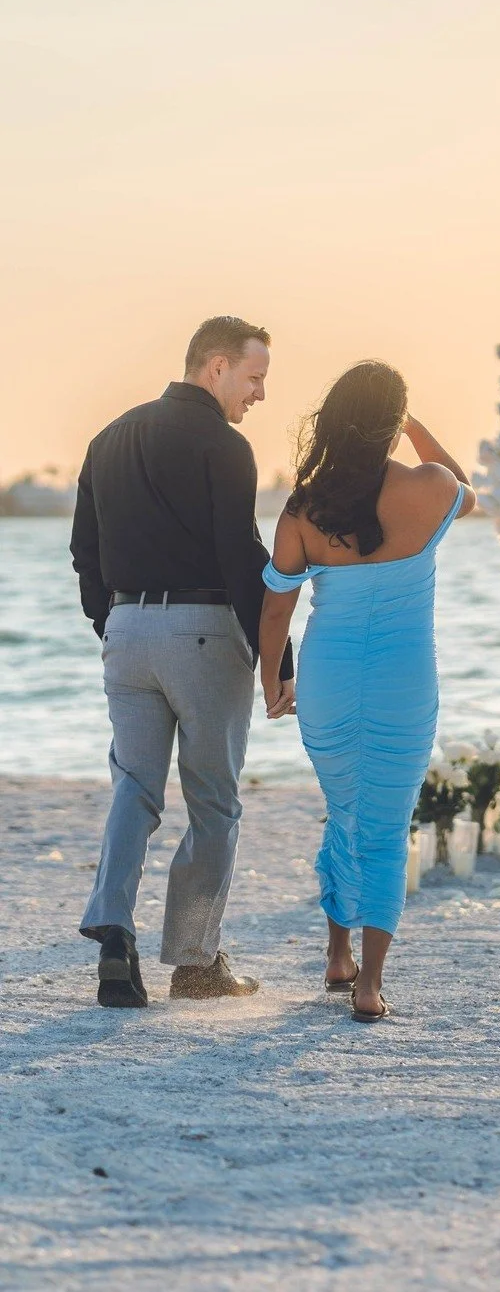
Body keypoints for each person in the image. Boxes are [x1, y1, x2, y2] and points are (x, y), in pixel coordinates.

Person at [70, 316, 294, 1008]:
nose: (258, 393)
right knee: (214, 802)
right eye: (255, 377)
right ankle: (195, 963)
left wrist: (114, 623)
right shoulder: (225, 446)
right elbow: (241, 552)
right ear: (216, 366)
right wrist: (278, 655)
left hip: (128, 631)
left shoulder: (107, 438)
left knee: (134, 786)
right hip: (201, 630)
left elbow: (85, 550)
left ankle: (114, 931)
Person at [259, 360, 474, 1022]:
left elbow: (275, 610)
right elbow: (470, 487)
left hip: (326, 677)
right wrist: (411, 424)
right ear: (391, 422)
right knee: (384, 829)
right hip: (403, 681)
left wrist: (274, 680)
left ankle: (336, 954)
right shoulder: (431, 488)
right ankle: (369, 986)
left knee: (343, 810)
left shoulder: (304, 505)